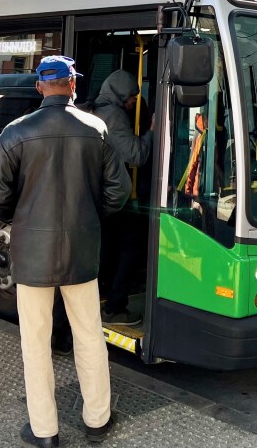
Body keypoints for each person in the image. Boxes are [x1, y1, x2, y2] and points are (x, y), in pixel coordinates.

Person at [0, 55, 131, 447]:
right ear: (74, 85)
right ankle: (97, 420)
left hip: (32, 253)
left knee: (35, 342)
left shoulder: (14, 132)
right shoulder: (97, 128)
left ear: (39, 87)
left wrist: (25, 219)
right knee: (89, 335)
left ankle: (45, 432)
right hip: (82, 250)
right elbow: (119, 193)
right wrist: (88, 217)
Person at [91, 69, 154, 326]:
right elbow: (136, 155)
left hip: (99, 195)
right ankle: (115, 306)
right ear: (120, 95)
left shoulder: (97, 108)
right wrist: (152, 130)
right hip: (115, 197)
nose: (133, 103)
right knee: (130, 248)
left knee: (107, 249)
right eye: (131, 97)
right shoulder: (114, 117)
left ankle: (103, 297)